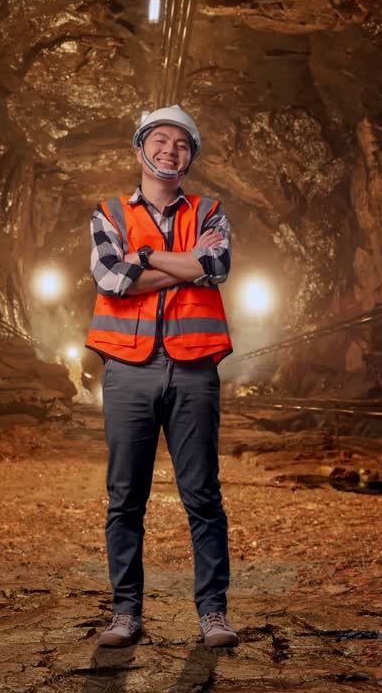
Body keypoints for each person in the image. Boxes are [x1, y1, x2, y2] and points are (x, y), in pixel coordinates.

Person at [84, 105, 238, 649]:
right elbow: (111, 278)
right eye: (161, 140)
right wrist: (182, 261)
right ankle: (125, 613)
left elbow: (214, 267)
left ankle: (213, 613)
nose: (170, 150)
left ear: (190, 157)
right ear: (140, 149)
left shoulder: (211, 210)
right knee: (125, 497)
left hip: (194, 368)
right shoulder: (108, 212)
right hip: (128, 368)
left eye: (181, 144)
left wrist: (146, 256)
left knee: (202, 494)